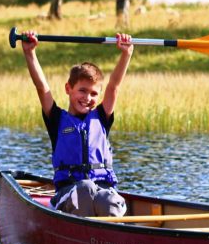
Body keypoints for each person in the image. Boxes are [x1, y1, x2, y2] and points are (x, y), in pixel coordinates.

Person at [20, 29, 133, 217]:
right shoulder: (57, 119)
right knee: (85, 188)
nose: (87, 98)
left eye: (94, 93)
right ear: (68, 89)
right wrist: (29, 53)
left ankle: (112, 235)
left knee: (107, 199)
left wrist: (126, 54)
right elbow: (42, 87)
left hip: (102, 190)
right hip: (69, 192)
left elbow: (114, 86)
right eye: (82, 91)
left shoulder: (102, 117)